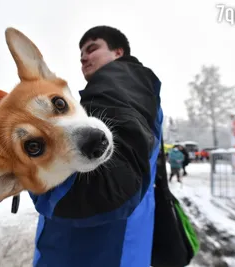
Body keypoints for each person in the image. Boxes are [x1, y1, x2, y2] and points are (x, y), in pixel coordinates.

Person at [28, 25, 163, 267]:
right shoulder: (131, 91)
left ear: (118, 52)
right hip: (116, 248)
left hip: (91, 253)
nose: (83, 57)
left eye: (92, 48)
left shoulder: (117, 81)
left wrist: (24, 154)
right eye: (81, 54)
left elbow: (109, 188)